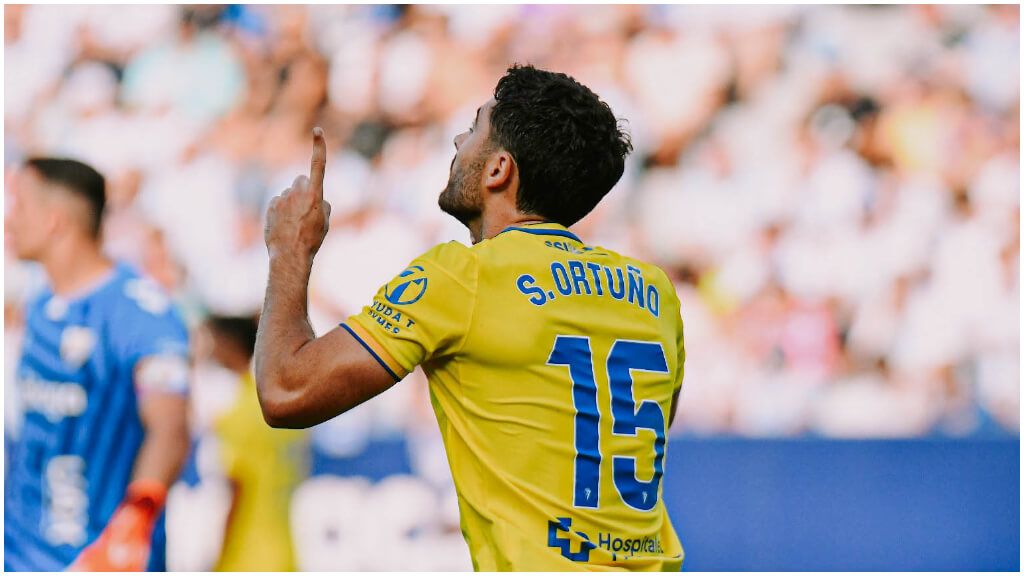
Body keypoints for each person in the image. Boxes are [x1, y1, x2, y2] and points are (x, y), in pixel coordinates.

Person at [255, 65, 686, 570]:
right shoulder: (654, 293)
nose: (459, 139)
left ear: (498, 169)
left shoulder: (463, 277)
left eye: (474, 128)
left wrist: (291, 251)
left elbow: (286, 391)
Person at [4, 158, 190, 571]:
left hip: (103, 558)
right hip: (21, 556)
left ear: (55, 220)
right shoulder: (36, 308)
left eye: (19, 206)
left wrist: (135, 519)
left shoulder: (140, 313)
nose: (8, 221)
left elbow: (170, 427)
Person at [204, 314, 307, 571]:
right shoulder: (281, 407)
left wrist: (219, 555)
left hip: (246, 554)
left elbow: (238, 489)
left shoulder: (239, 414)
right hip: (285, 552)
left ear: (229, 344)